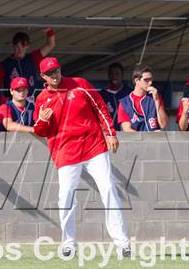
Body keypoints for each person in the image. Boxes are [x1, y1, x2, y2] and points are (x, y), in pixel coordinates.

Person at [33, 57, 130, 257]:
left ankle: (123, 244)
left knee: (109, 188)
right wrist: (42, 121)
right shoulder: (42, 98)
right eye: (50, 73)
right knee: (66, 196)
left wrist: (110, 132)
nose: (54, 75)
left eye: (56, 70)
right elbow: (40, 130)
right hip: (66, 151)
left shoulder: (80, 84)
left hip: (93, 144)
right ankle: (68, 244)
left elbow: (101, 107)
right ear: (43, 76)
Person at [0, 28, 56, 100]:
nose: (20, 50)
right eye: (17, 46)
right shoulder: (5, 64)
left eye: (23, 46)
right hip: (13, 103)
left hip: (31, 102)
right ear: (13, 46)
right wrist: (3, 101)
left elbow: (50, 45)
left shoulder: (33, 58)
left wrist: (50, 31)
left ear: (27, 46)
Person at [118, 66, 167, 131]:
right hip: (135, 140)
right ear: (136, 81)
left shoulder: (156, 97)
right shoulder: (125, 103)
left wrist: (157, 100)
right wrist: (145, 138)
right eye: (146, 80)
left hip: (154, 140)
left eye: (151, 79)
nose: (150, 83)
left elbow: (163, 124)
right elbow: (127, 129)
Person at [99, 63, 131, 131]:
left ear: (122, 76)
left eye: (117, 74)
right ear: (108, 76)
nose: (114, 76)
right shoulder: (102, 94)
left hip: (127, 133)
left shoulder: (129, 93)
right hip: (109, 134)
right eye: (111, 74)